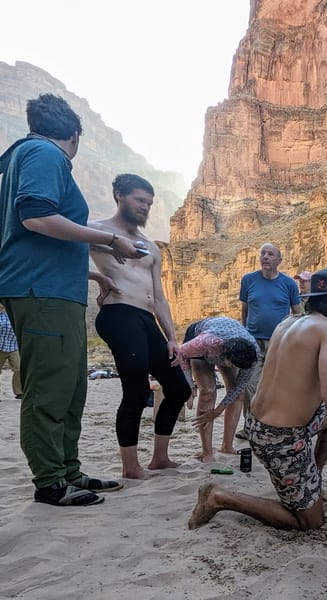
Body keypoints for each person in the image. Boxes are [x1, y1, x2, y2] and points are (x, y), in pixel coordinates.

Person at [0, 94, 142, 507]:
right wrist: (109, 237)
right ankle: (50, 482)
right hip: (41, 293)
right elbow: (35, 217)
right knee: (50, 388)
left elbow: (30, 240)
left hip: (52, 290)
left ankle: (67, 470)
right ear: (74, 135)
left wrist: (92, 271)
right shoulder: (45, 155)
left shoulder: (25, 159)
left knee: (71, 385)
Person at [187, 268, 327, 531]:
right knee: (311, 521)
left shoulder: (289, 321)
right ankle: (219, 497)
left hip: (259, 425)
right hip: (279, 438)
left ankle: (312, 482)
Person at [89, 174, 192, 479]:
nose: (145, 207)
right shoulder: (97, 230)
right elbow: (62, 258)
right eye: (139, 200)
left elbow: (159, 296)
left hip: (147, 319)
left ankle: (160, 458)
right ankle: (130, 467)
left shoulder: (150, 247)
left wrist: (173, 338)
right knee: (135, 391)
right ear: (119, 194)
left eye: (149, 202)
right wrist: (98, 278)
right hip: (118, 313)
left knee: (178, 388)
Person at [174, 316, 260, 462]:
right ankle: (207, 452)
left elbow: (238, 388)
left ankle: (227, 446)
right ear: (225, 358)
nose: (234, 369)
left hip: (230, 343)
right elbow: (181, 353)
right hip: (202, 335)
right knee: (208, 391)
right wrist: (190, 386)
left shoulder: (252, 354)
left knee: (238, 395)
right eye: (233, 365)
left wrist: (216, 412)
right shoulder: (206, 342)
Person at [238, 243, 302, 436]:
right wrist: (244, 331)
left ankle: (273, 424)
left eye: (270, 254)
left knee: (277, 385)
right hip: (253, 341)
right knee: (250, 385)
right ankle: (250, 425)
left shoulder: (289, 284)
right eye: (263, 254)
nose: (265, 257)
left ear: (279, 260)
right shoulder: (248, 280)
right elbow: (245, 309)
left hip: (279, 342)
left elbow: (297, 315)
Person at [0, 302, 22, 399]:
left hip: (13, 346)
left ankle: (19, 392)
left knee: (19, 368)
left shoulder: (11, 313)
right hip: (0, 347)